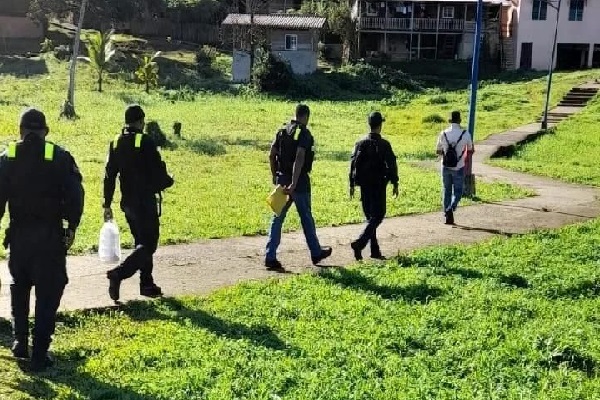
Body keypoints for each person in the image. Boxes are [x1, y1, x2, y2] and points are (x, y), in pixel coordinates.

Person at [0, 108, 84, 372]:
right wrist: (72, 225)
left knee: (20, 285)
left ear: (21, 130)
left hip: (19, 236)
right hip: (49, 237)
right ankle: (39, 353)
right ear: (45, 131)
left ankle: (20, 342)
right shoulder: (59, 156)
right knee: (49, 292)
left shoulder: (7, 157)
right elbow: (75, 195)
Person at [103, 105, 174, 301]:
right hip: (144, 201)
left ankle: (147, 283)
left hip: (127, 202)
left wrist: (106, 203)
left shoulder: (116, 142)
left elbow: (109, 175)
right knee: (149, 244)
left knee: (141, 242)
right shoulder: (145, 141)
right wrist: (169, 181)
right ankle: (119, 273)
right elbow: (159, 172)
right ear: (141, 121)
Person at [265, 104, 332, 270]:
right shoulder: (304, 133)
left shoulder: (282, 131)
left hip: (282, 181)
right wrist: (294, 183)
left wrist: (275, 175)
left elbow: (271, 154)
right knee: (306, 219)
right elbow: (300, 157)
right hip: (299, 183)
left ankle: (270, 256)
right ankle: (316, 252)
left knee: (277, 219)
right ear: (306, 116)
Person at [349, 111, 399, 261]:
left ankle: (374, 250)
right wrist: (395, 182)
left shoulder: (360, 144)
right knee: (378, 215)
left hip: (364, 185)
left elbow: (353, 164)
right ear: (380, 125)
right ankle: (360, 242)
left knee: (370, 218)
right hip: (379, 185)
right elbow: (392, 164)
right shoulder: (384, 144)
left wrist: (351, 184)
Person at [436, 111, 474, 225]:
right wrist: (464, 160)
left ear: (449, 121)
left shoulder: (443, 133)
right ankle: (450, 209)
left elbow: (437, 151)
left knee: (446, 190)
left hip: (445, 166)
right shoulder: (466, 134)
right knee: (458, 191)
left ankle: (447, 213)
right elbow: (470, 150)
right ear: (460, 121)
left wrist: (445, 152)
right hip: (459, 167)